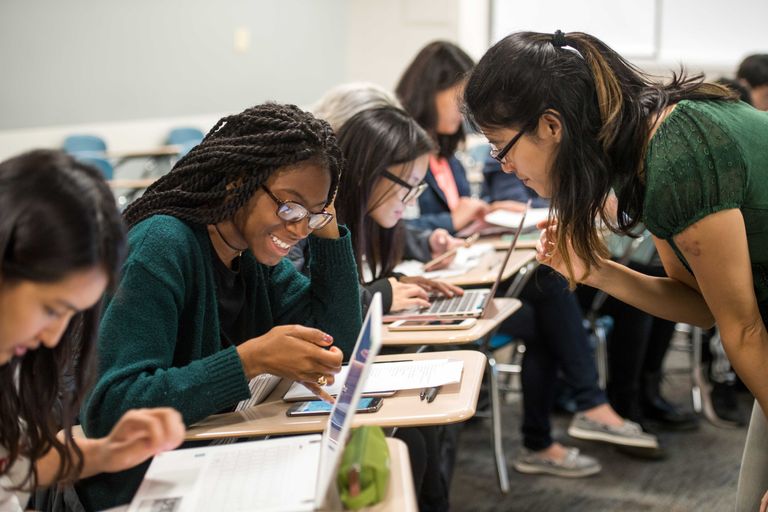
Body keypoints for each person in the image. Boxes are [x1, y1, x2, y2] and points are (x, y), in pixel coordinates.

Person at [464, 30, 768, 511]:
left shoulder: (678, 157)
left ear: (550, 126)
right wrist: (597, 271)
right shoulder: (649, 151)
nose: (502, 165)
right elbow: (704, 307)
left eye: (502, 146)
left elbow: (745, 328)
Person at [77, 103, 363, 510]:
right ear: (237, 183)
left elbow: (338, 342)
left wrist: (327, 228)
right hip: (141, 487)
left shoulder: (249, 254)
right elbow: (110, 410)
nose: (299, 229)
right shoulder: (163, 246)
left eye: (312, 215)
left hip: (213, 456)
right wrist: (248, 361)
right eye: (289, 207)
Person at [0, 150, 185, 511]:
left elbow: (20, 464)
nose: (53, 337)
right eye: (51, 310)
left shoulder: (12, 358)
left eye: (71, 316)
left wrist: (107, 452)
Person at [483, 157, 658, 476]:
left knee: (637, 286)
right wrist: (441, 230)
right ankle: (588, 406)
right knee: (550, 299)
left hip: (527, 273)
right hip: (484, 285)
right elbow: (486, 207)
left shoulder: (557, 151)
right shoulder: (506, 150)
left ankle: (621, 404)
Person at [396, 41, 494, 235]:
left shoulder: (448, 154)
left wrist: (490, 210)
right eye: (459, 98)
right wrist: (451, 221)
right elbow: (386, 228)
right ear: (430, 91)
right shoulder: (397, 151)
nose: (464, 109)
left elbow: (463, 209)